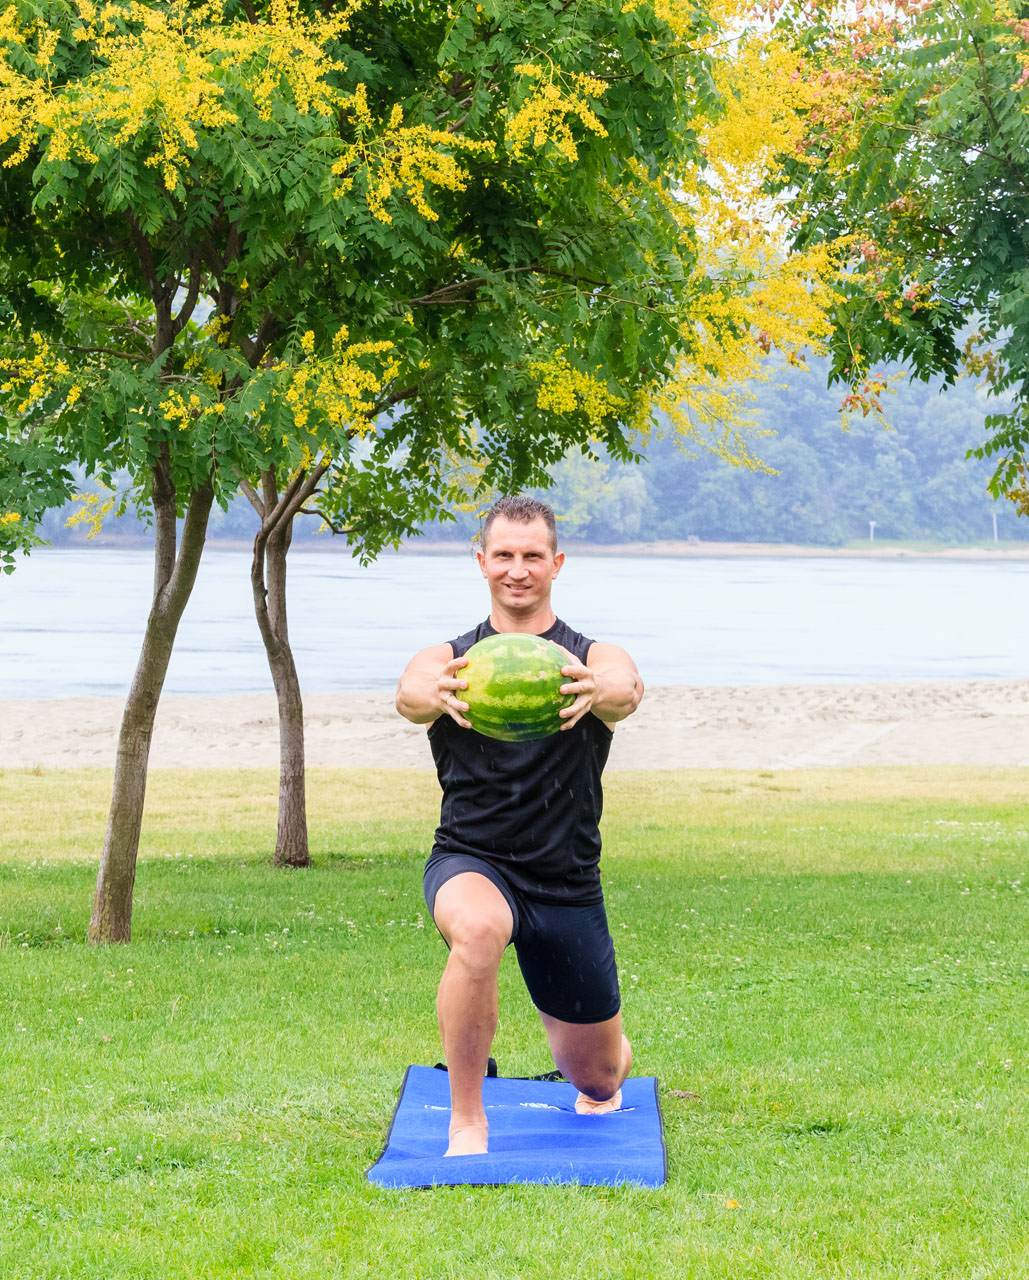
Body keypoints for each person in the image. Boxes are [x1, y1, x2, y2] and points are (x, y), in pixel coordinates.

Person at [395, 495, 644, 1157]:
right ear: (481, 561)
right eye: (503, 555)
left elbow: (624, 686)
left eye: (532, 556)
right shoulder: (450, 659)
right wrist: (434, 695)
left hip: (564, 881)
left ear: (555, 563)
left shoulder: (587, 659)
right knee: (477, 932)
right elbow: (410, 693)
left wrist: (598, 690)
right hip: (471, 859)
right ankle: (467, 1119)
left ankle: (608, 1049)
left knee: (597, 1080)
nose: (517, 569)